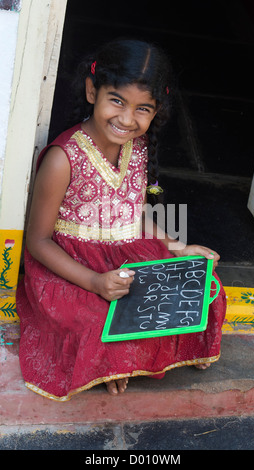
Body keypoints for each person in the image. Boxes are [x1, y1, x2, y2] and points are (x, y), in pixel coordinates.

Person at [16, 39, 226, 400]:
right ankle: (119, 360)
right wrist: (95, 281)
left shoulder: (138, 148)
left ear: (156, 111)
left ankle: (123, 360)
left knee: (206, 292)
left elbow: (136, 212)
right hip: (76, 267)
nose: (128, 119)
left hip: (129, 256)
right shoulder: (62, 159)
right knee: (98, 323)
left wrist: (178, 247)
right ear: (91, 90)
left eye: (143, 109)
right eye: (117, 100)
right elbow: (38, 241)